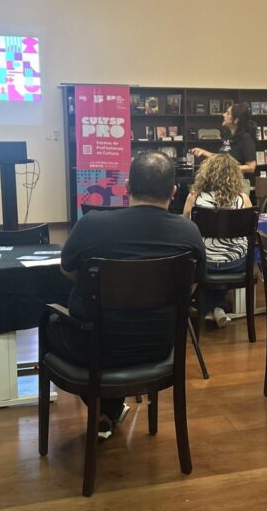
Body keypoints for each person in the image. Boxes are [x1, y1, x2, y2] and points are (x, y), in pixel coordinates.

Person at [55, 151, 206, 438]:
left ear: (126, 187)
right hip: (158, 346)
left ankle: (105, 409)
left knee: (53, 325)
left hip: (94, 346)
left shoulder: (92, 225)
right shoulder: (189, 233)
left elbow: (66, 270)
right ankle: (108, 409)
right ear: (174, 192)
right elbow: (189, 289)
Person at [182, 153, 253, 327]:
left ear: (206, 174)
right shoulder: (243, 199)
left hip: (205, 264)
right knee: (226, 260)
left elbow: (185, 227)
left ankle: (201, 310)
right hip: (236, 263)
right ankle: (215, 308)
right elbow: (252, 231)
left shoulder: (194, 198)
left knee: (193, 262)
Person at [189, 103, 257, 175]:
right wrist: (203, 152)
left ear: (236, 120)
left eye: (228, 113)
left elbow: (251, 167)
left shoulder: (245, 138)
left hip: (237, 183)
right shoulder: (229, 136)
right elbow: (221, 159)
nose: (223, 115)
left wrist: (226, 168)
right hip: (225, 181)